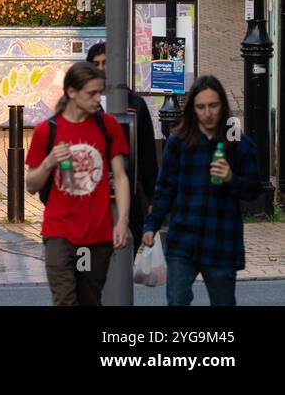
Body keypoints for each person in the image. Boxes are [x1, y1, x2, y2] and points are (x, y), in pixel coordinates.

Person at [141, 76, 261, 306]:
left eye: (213, 106)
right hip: (184, 238)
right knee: (177, 300)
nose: (207, 113)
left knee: (223, 302)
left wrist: (231, 178)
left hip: (221, 239)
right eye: (201, 107)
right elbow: (165, 186)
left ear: (223, 106)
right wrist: (151, 225)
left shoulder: (238, 144)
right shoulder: (179, 141)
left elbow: (254, 190)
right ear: (192, 109)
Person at [25, 61, 131, 306]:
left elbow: (121, 176)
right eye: (92, 93)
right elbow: (31, 184)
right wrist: (49, 162)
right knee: (65, 300)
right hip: (60, 232)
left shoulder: (108, 126)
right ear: (72, 92)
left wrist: (122, 221)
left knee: (90, 300)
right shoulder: (47, 131)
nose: (98, 99)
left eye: (100, 93)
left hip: (98, 233)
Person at [85, 42, 158, 253]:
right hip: (92, 195)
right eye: (96, 63)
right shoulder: (82, 105)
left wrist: (153, 197)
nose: (101, 68)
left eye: (106, 63)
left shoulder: (135, 105)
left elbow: (147, 155)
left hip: (128, 193)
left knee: (126, 253)